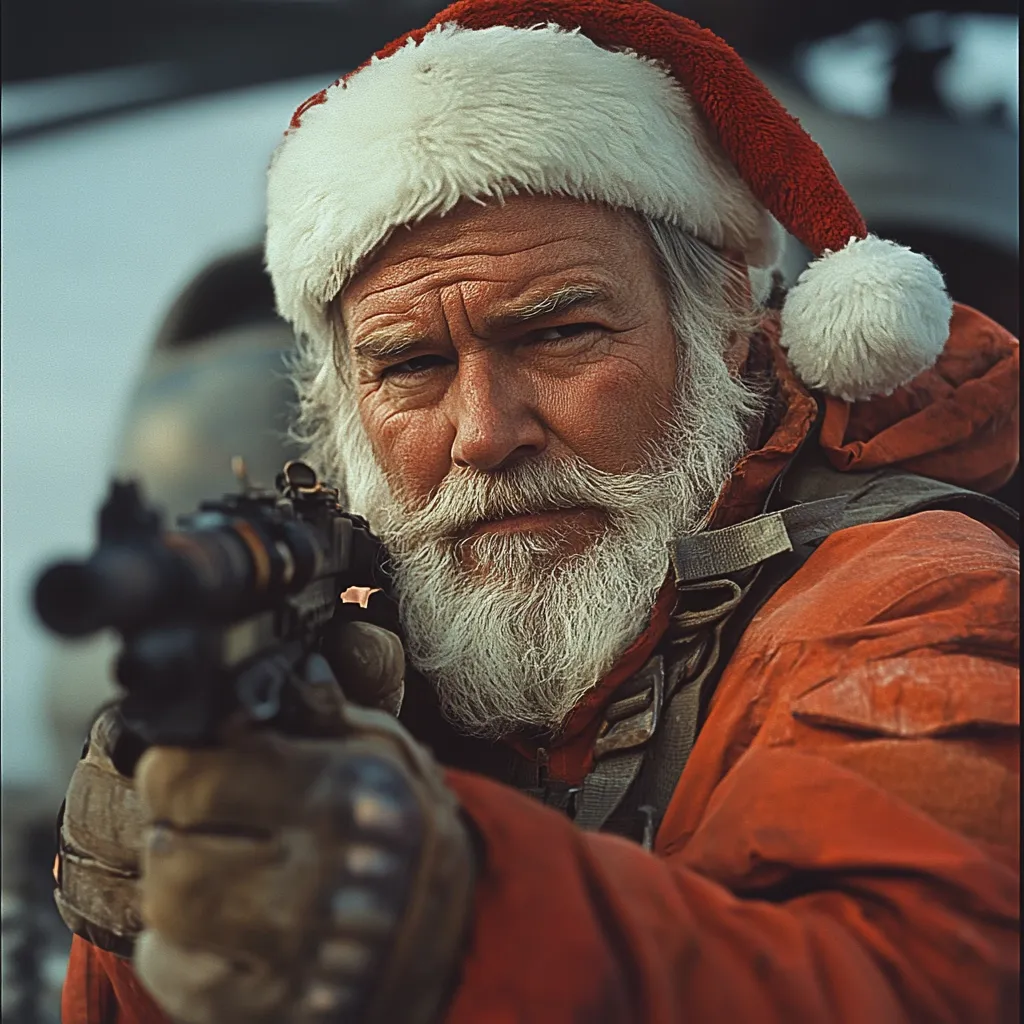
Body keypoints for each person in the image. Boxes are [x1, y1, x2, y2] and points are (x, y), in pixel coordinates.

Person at [56, 2, 1019, 1022]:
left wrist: (441, 907)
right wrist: (166, 914)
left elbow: (911, 980)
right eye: (413, 366)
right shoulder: (341, 608)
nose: (482, 432)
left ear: (730, 321)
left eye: (558, 336)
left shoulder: (911, 598)